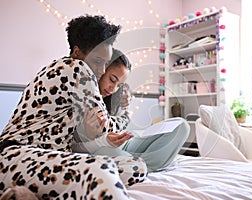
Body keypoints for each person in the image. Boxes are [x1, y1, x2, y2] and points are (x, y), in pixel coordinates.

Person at [0, 15, 146, 199]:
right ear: (77, 52)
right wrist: (126, 116)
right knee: (102, 170)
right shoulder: (76, 69)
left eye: (105, 63)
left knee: (136, 167)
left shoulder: (57, 68)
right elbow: (105, 126)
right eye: (98, 61)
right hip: (15, 155)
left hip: (49, 158)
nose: (101, 70)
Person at [72, 48, 190, 172]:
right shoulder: (80, 97)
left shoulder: (116, 98)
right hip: (102, 149)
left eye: (119, 85)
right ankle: (145, 165)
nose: (113, 89)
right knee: (107, 153)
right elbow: (72, 149)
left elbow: (122, 123)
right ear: (101, 71)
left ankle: (141, 165)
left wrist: (125, 115)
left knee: (181, 125)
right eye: (112, 80)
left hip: (126, 144)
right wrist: (99, 140)